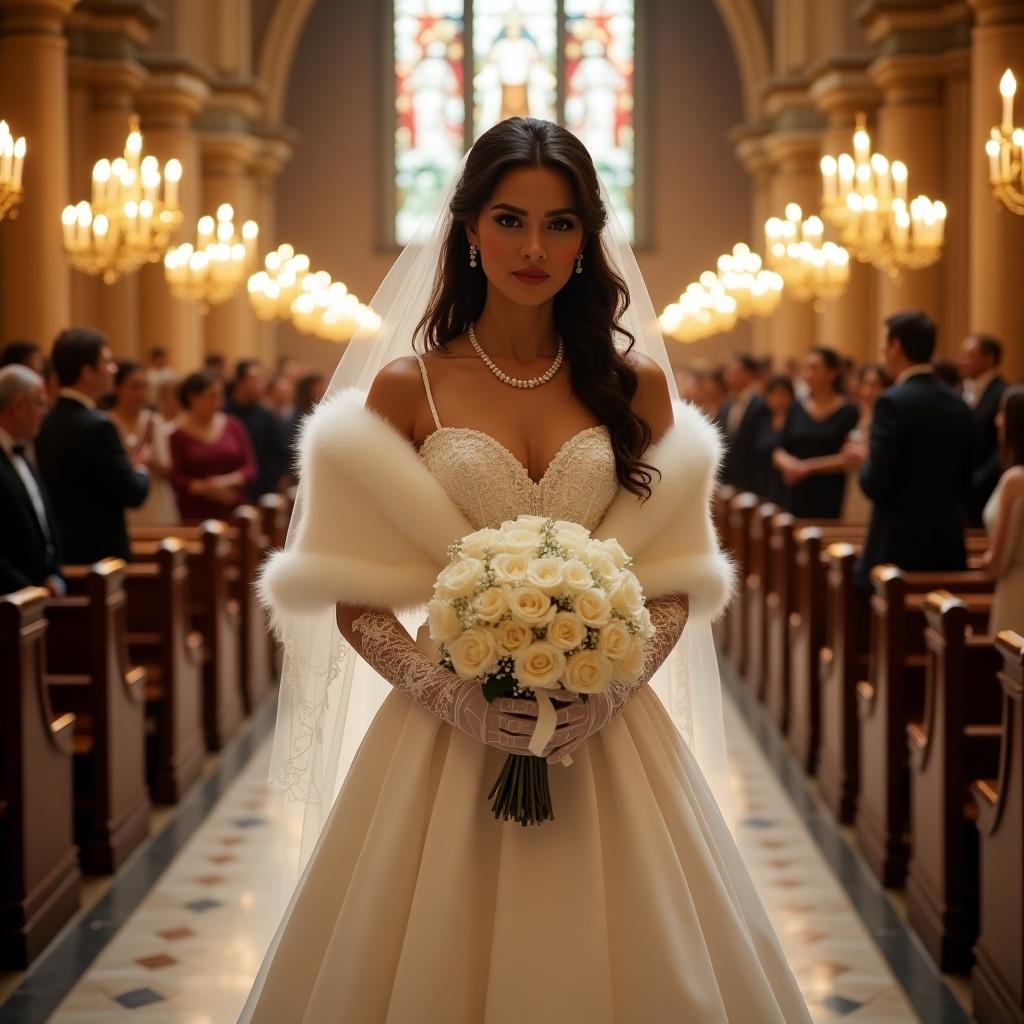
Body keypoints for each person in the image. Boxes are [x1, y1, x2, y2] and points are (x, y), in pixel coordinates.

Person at [242, 118, 809, 1023]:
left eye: (560, 223)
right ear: (468, 229)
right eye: (509, 220)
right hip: (449, 730)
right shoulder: (405, 386)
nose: (534, 248)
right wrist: (453, 698)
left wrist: (612, 691)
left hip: (602, 722)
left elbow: (668, 577)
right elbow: (356, 602)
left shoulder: (636, 388)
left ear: (588, 238)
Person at [850, 311, 975, 591]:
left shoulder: (893, 402)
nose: (883, 354)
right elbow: (967, 481)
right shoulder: (958, 404)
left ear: (896, 347)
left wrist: (864, 460)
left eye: (885, 346)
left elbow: (877, 484)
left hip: (898, 549)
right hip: (948, 544)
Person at [35, 328, 149, 564]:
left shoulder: (44, 422)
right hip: (101, 558)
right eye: (107, 362)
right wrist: (140, 467)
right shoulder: (99, 428)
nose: (113, 369)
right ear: (88, 372)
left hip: (61, 552)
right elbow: (132, 492)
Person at [772, 347, 858, 519]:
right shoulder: (796, 407)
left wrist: (808, 468)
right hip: (795, 490)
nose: (808, 374)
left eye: (814, 368)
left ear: (832, 373)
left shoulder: (848, 410)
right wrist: (789, 464)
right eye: (806, 368)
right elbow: (779, 449)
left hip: (828, 491)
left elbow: (848, 457)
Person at [0, 365, 63, 596]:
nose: (45, 411)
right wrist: (27, 590)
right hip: (12, 603)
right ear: (18, 406)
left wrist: (53, 572)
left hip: (35, 597)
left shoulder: (22, 454)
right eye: (39, 403)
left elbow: (43, 521)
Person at [168, 371, 257, 523]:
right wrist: (208, 489)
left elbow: (250, 468)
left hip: (233, 508)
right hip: (195, 513)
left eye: (220, 396)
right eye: (212, 396)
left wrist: (225, 482)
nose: (218, 403)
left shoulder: (234, 425)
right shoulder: (176, 435)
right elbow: (176, 477)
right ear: (193, 398)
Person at [107, 360, 179, 526]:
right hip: (124, 499)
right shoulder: (107, 422)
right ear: (117, 388)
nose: (140, 394)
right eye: (134, 387)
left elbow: (167, 467)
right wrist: (136, 460)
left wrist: (148, 461)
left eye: (144, 387)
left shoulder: (155, 421)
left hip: (154, 499)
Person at [981, 385, 1024, 634]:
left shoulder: (1015, 480)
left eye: (1002, 413)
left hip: (1015, 592)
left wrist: (986, 562)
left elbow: (999, 563)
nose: (997, 421)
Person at [959, 334, 1007, 526]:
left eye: (970, 355)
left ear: (989, 358)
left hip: (986, 488)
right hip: (963, 490)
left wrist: (977, 481)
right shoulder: (963, 391)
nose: (963, 361)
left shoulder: (1003, 392)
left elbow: (1002, 445)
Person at [225, 359, 290, 500]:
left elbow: (279, 453)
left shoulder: (265, 415)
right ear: (240, 382)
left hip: (261, 491)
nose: (260, 385)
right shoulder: (224, 413)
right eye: (255, 379)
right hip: (229, 490)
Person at [840, 363, 891, 524]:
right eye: (866, 384)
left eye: (875, 385)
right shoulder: (864, 413)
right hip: (856, 482)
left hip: (874, 485)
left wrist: (863, 456)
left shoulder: (889, 419)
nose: (868, 391)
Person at [719, 353, 765, 493]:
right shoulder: (727, 404)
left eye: (734, 372)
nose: (728, 377)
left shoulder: (761, 404)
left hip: (753, 478)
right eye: (727, 372)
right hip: (730, 477)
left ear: (749, 374)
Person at [752, 374, 794, 507]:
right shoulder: (762, 419)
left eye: (783, 394)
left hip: (787, 481)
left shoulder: (796, 420)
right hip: (764, 480)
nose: (779, 399)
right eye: (774, 394)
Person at [288, 372, 327, 452]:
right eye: (318, 387)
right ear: (308, 390)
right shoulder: (298, 415)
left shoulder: (321, 410)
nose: (323, 390)